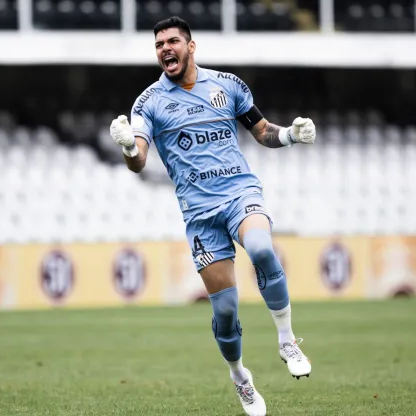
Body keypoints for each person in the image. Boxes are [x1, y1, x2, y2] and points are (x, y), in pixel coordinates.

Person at [108, 16, 316, 416]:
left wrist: (290, 134)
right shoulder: (147, 102)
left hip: (240, 192)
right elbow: (139, 160)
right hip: (200, 214)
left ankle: (287, 339)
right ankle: (240, 376)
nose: (165, 49)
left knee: (261, 248)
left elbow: (261, 131)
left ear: (191, 46)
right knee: (224, 310)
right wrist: (129, 150)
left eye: (172, 41)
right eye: (158, 45)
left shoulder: (228, 85)